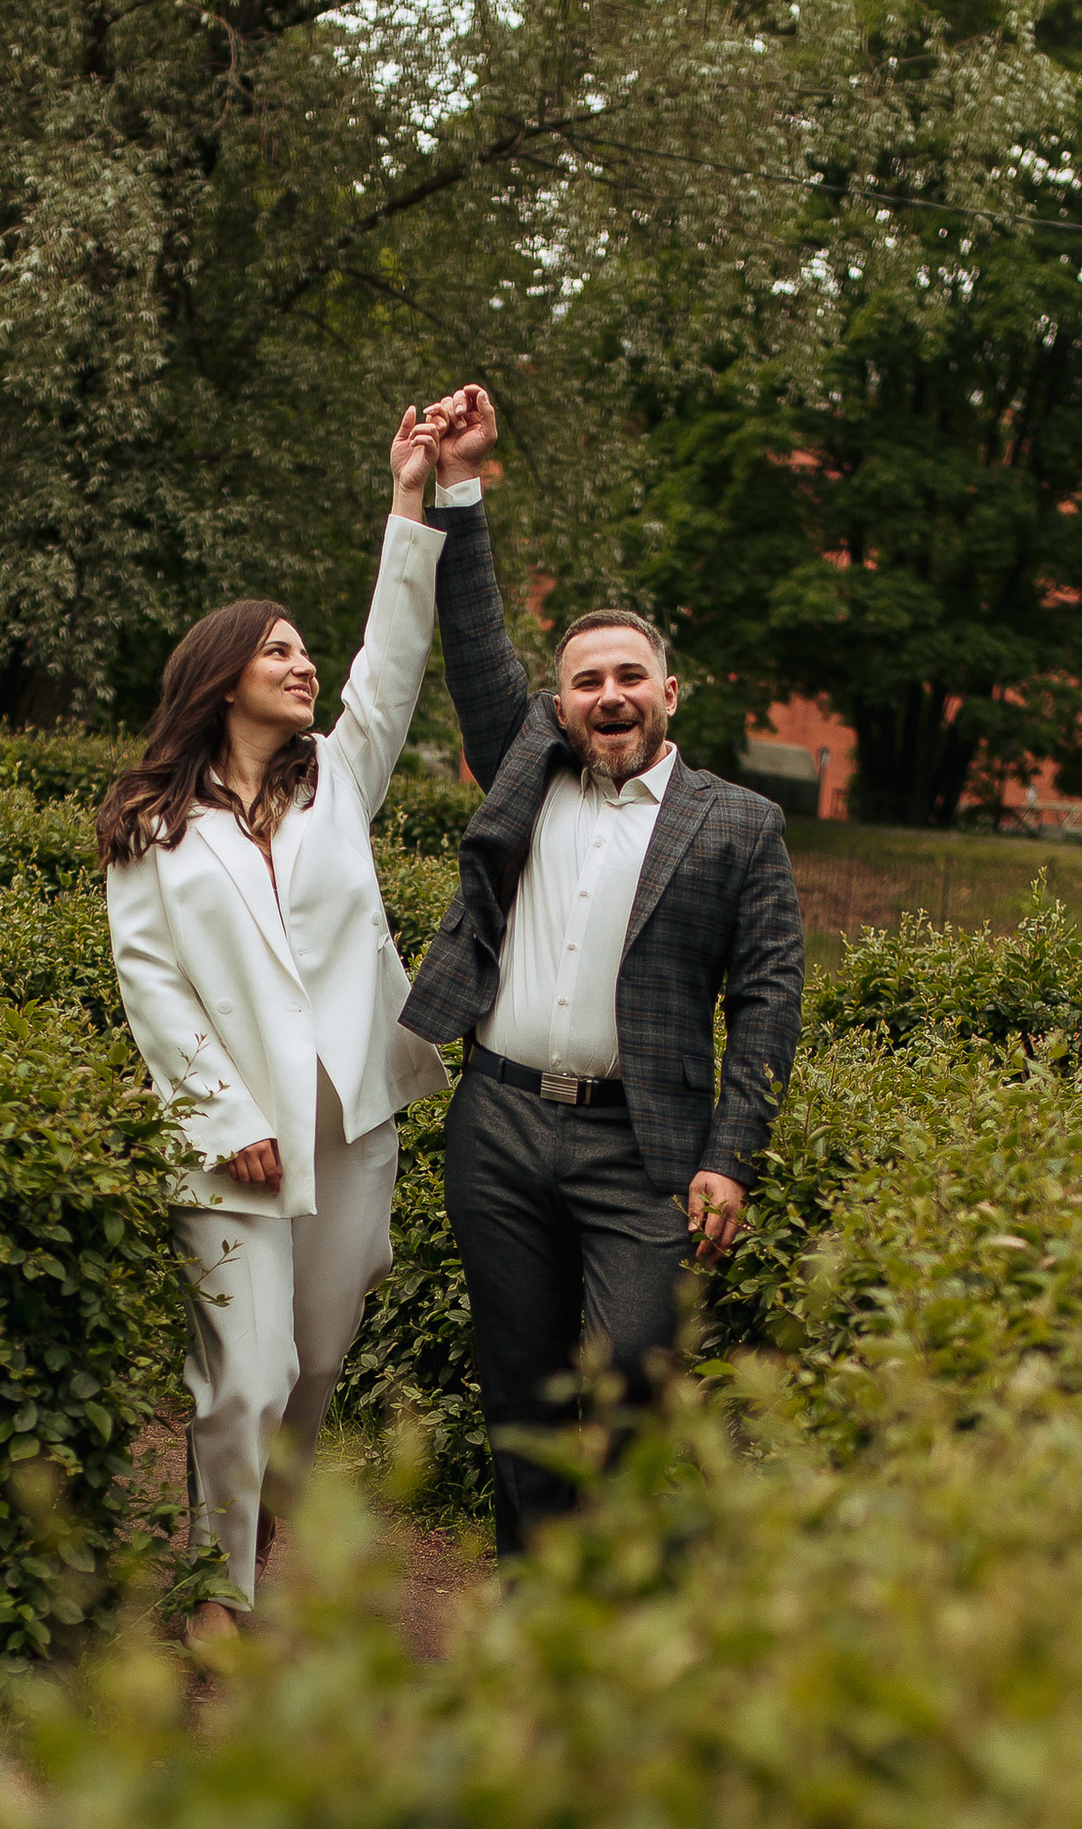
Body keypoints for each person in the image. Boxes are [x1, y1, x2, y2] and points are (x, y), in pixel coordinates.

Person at [403, 384, 804, 1554]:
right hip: (501, 1123)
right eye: (585, 682)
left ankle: (606, 1584)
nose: (608, 696)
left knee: (629, 1375)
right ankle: (541, 1616)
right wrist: (461, 489)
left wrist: (734, 1156)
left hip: (645, 1150)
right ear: (560, 703)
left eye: (629, 677)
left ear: (670, 693)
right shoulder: (523, 768)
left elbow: (770, 999)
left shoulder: (738, 825)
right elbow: (475, 639)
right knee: (521, 1392)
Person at [100, 413, 452, 1624]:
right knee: (243, 1375)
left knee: (310, 1373)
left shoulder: (338, 781)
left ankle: (251, 1551)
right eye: (280, 652)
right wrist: (222, 1116)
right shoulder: (150, 823)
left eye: (308, 651)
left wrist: (410, 501)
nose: (305, 667)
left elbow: (393, 657)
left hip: (350, 1119)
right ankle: (217, 1603)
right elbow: (152, 983)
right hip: (233, 1137)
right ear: (222, 677)